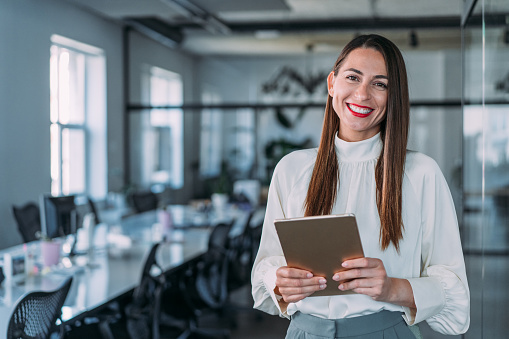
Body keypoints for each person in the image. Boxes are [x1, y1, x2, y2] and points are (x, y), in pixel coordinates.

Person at [251, 34, 470, 338]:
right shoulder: (292, 168)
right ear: (332, 83)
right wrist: (279, 280)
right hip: (304, 332)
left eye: (380, 84)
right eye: (353, 77)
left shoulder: (421, 173)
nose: (363, 94)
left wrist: (395, 288)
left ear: (393, 96)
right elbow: (267, 265)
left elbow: (454, 290)